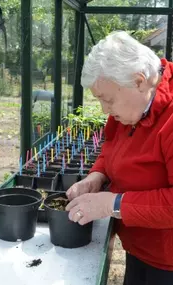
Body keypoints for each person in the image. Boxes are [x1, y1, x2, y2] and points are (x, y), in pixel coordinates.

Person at [65, 31, 173, 285]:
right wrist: (97, 175)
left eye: (108, 99)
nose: (105, 110)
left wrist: (113, 204)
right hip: (140, 247)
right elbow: (112, 146)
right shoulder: (133, 106)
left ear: (138, 80)